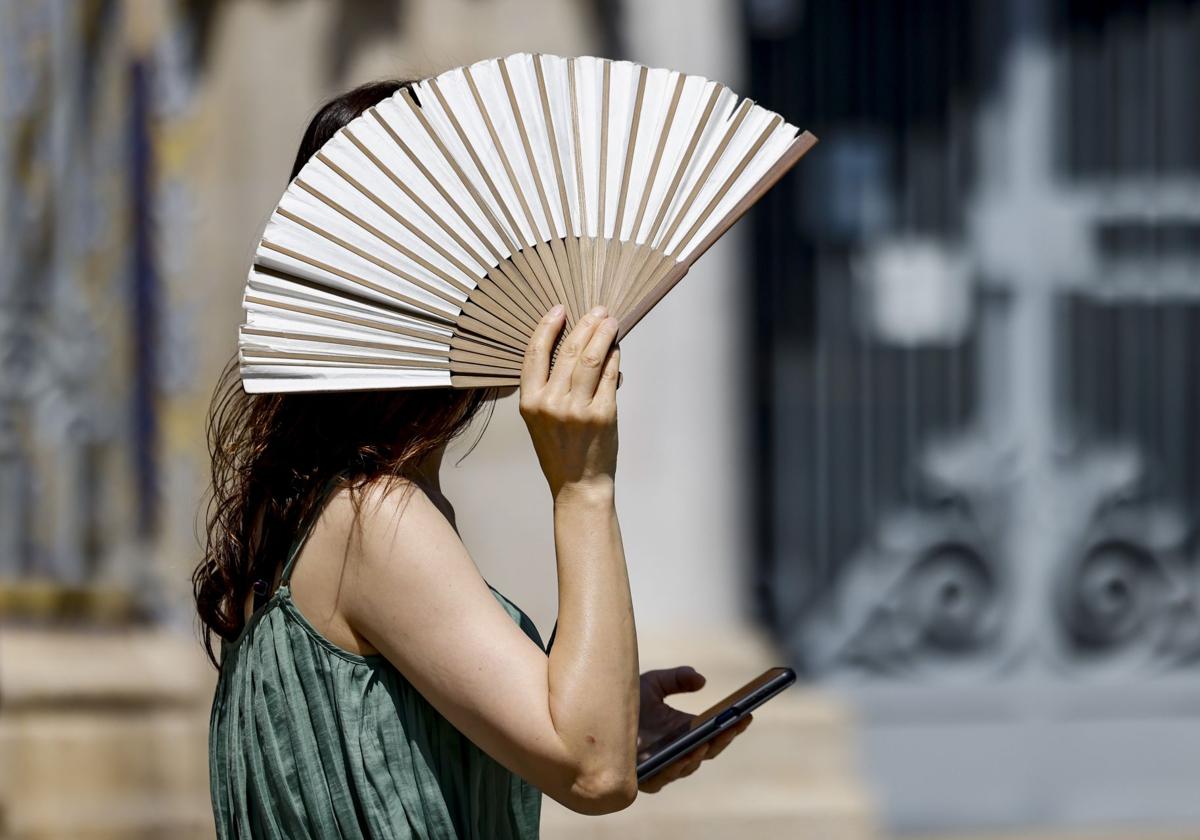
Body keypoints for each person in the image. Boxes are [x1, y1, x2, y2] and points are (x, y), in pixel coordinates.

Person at [195, 80, 752, 839]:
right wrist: (582, 483)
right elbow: (594, 773)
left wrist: (603, 708)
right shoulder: (375, 520)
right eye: (501, 248)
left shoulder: (312, 505)